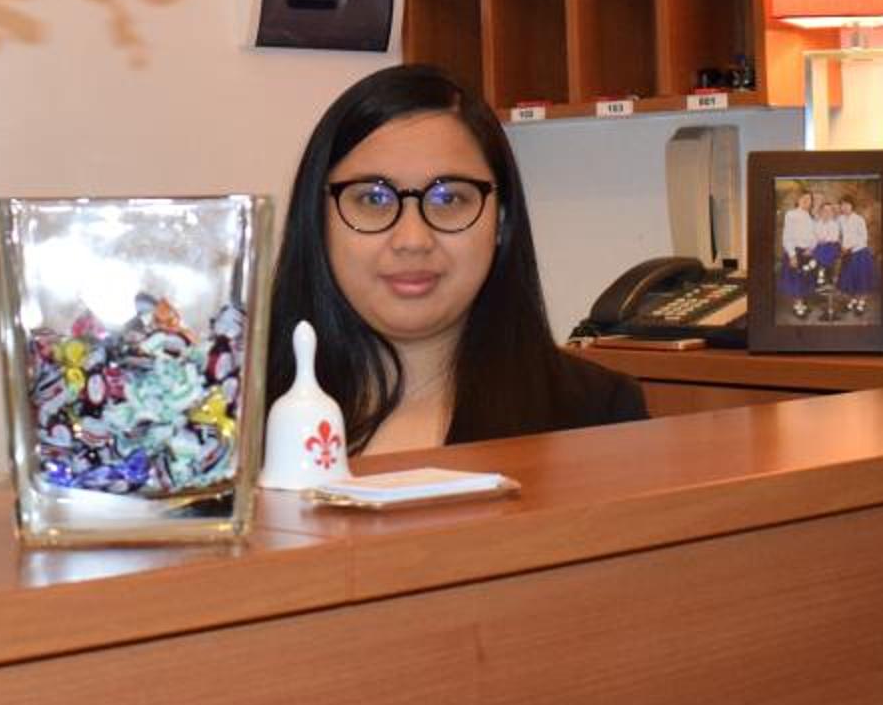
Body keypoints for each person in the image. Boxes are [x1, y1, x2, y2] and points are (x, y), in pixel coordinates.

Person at [267, 64, 646, 455]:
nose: (412, 240)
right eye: (373, 198)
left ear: (501, 220)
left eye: (448, 198)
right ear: (317, 217)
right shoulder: (239, 412)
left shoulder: (595, 415)